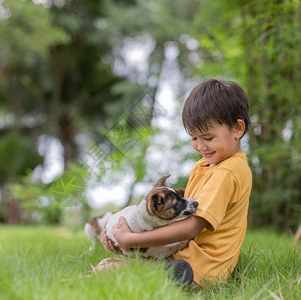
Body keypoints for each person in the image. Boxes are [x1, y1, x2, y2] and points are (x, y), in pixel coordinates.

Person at [101, 78, 252, 288]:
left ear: (237, 129)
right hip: (183, 254)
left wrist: (132, 240)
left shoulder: (227, 172)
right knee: (113, 265)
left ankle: (175, 278)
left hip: (201, 267)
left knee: (108, 270)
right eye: (194, 138)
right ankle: (161, 272)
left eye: (208, 138)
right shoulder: (205, 166)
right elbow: (178, 217)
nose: (200, 146)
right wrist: (123, 236)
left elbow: (191, 227)